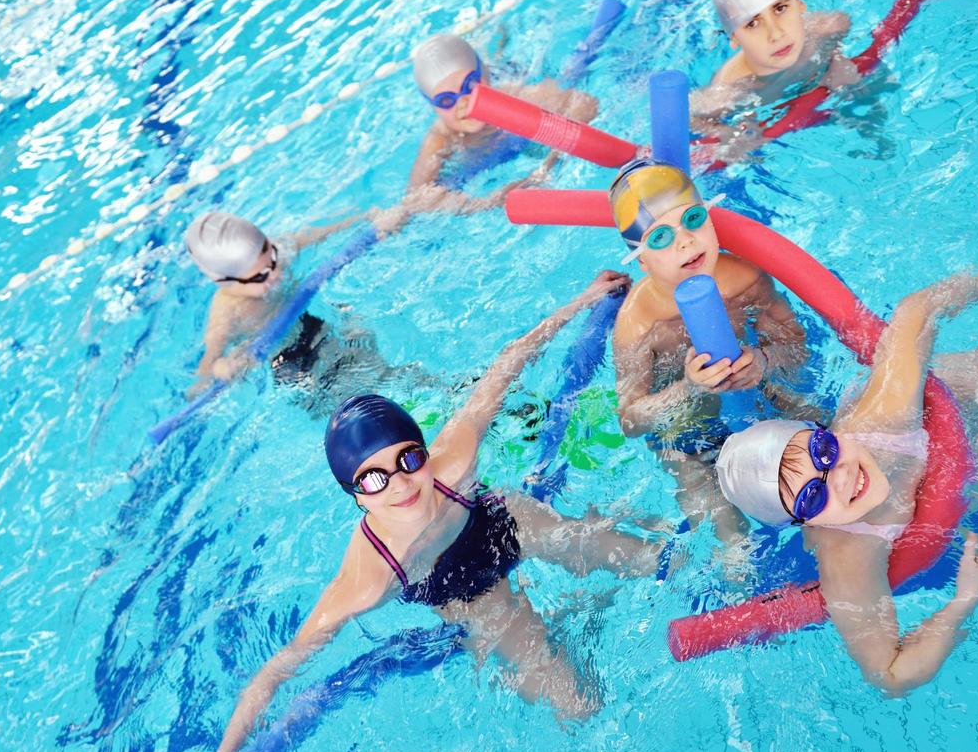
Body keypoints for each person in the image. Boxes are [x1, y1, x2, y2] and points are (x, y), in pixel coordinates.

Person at [185, 271, 666, 752]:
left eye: (408, 458)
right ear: (354, 496)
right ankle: (581, 613)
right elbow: (278, 671)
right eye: (372, 479)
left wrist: (585, 298)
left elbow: (509, 363)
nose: (399, 483)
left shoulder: (453, 461)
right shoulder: (368, 577)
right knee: (578, 704)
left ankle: (639, 577)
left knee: (650, 559)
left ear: (423, 452)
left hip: (507, 524)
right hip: (466, 596)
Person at [714, 239, 978, 695]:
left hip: (934, 412)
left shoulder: (878, 418)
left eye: (825, 454)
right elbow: (890, 676)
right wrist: (965, 598)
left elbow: (915, 311)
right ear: (802, 522)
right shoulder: (848, 557)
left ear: (825, 432)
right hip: (958, 472)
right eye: (814, 494)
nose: (843, 476)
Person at [608, 160, 815, 545]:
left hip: (757, 392)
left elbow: (797, 346)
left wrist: (765, 361)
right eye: (659, 238)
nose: (685, 241)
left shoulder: (747, 279)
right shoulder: (637, 326)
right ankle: (735, 568)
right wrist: (689, 388)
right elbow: (630, 420)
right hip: (688, 425)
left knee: (818, 431)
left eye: (693, 218)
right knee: (718, 520)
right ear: (640, 259)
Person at [182, 209, 418, 408]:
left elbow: (324, 233)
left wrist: (372, 219)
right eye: (260, 276)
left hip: (308, 320)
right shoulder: (227, 311)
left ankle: (416, 389)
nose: (275, 273)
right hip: (285, 358)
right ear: (226, 281)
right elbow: (208, 365)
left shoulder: (279, 248)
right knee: (344, 396)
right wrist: (222, 367)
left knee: (364, 350)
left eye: (272, 258)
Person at [405, 32, 599, 213]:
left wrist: (547, 166)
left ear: (485, 74)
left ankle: (498, 38)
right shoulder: (440, 139)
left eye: (469, 85)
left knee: (571, 73)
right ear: (433, 107)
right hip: (498, 152)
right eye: (446, 100)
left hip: (514, 101)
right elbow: (416, 198)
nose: (464, 102)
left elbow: (584, 103)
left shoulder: (518, 96)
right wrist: (485, 203)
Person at [697, 0, 860, 117]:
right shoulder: (729, 91)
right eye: (752, 23)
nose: (776, 34)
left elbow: (841, 22)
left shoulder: (823, 31)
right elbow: (694, 118)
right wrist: (724, 132)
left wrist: (837, 61)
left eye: (780, 8)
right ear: (734, 38)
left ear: (800, 5)